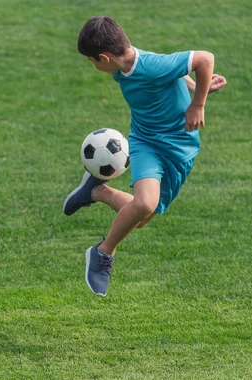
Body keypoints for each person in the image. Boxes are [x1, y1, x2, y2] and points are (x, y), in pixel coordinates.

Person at [63, 16, 227, 296]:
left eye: (92, 62)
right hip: (146, 142)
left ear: (104, 57)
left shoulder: (150, 66)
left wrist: (198, 101)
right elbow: (171, 71)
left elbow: (204, 58)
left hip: (179, 148)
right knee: (144, 203)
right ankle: (103, 253)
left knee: (140, 218)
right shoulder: (124, 64)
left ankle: (96, 191)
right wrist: (191, 85)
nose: (94, 67)